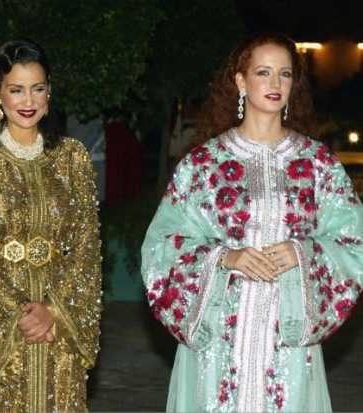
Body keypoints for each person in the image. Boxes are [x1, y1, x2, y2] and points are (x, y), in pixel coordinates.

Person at [140, 33, 363, 412]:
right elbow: (162, 245)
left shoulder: (318, 164)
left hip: (287, 338)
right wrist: (224, 258)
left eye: (285, 74)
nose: (276, 83)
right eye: (264, 72)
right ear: (241, 81)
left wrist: (302, 253)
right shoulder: (203, 164)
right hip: (218, 336)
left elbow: (352, 241)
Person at [0, 38, 103, 413]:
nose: (28, 101)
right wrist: (18, 314)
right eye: (16, 89)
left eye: (37, 88)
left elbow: (86, 248)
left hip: (57, 331)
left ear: (50, 90)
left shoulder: (72, 158)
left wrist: (55, 311)